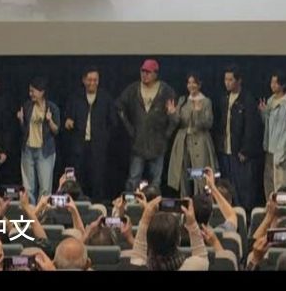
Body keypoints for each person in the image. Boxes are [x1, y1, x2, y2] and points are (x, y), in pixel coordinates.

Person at [116, 59, 178, 189]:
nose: (144, 74)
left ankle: (153, 200)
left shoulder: (166, 91)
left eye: (148, 72)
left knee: (155, 181)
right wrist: (130, 129)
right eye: (143, 71)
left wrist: (166, 134)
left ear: (155, 74)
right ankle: (130, 201)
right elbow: (119, 107)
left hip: (158, 143)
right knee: (133, 178)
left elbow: (174, 119)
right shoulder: (133, 89)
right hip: (138, 142)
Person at [213, 64, 263, 211]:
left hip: (240, 152)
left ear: (238, 80)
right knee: (227, 185)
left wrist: (246, 150)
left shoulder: (247, 100)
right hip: (225, 150)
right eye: (225, 79)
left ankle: (244, 214)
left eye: (230, 80)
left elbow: (251, 128)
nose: (227, 83)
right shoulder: (224, 99)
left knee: (243, 187)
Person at [63, 66, 117, 201]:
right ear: (84, 80)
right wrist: (68, 121)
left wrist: (104, 137)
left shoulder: (105, 98)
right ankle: (77, 205)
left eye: (95, 80)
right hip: (79, 146)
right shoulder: (75, 98)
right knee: (78, 178)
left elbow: (113, 122)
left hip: (98, 147)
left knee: (97, 178)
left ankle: (97, 206)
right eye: (89, 80)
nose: (92, 83)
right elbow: (67, 117)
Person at [166, 72, 218, 196]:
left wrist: (198, 113)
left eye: (194, 83)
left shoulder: (206, 101)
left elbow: (208, 123)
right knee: (183, 172)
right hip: (183, 141)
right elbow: (177, 121)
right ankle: (185, 199)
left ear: (199, 84)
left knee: (199, 173)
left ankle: (199, 199)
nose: (191, 85)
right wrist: (172, 113)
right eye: (189, 83)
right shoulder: (183, 100)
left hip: (200, 141)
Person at [129, 195, 209, 270]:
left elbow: (138, 253)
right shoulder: (195, 267)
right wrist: (192, 223)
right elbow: (201, 256)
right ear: (178, 239)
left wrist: (145, 217)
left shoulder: (137, 266)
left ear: (149, 242)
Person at [18, 77, 61, 202]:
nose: (30, 94)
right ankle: (30, 211)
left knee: (45, 187)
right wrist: (21, 120)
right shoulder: (27, 106)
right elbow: (24, 130)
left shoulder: (52, 107)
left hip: (45, 151)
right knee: (28, 187)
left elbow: (56, 130)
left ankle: (42, 211)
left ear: (41, 92)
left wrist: (50, 120)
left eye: (33, 91)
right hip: (28, 149)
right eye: (30, 91)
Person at [259, 70, 286, 197]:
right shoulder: (270, 100)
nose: (272, 85)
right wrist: (264, 113)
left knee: (281, 183)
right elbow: (268, 125)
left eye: (276, 83)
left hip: (280, 150)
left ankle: (281, 207)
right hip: (269, 148)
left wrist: (282, 152)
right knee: (269, 182)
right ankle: (270, 205)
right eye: (271, 82)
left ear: (282, 84)